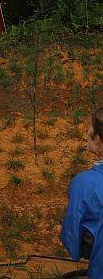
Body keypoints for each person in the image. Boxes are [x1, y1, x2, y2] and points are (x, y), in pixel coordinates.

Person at [61, 107, 103, 277]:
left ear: (98, 138)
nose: (86, 132)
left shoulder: (84, 183)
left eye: (89, 128)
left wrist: (77, 250)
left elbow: (72, 233)